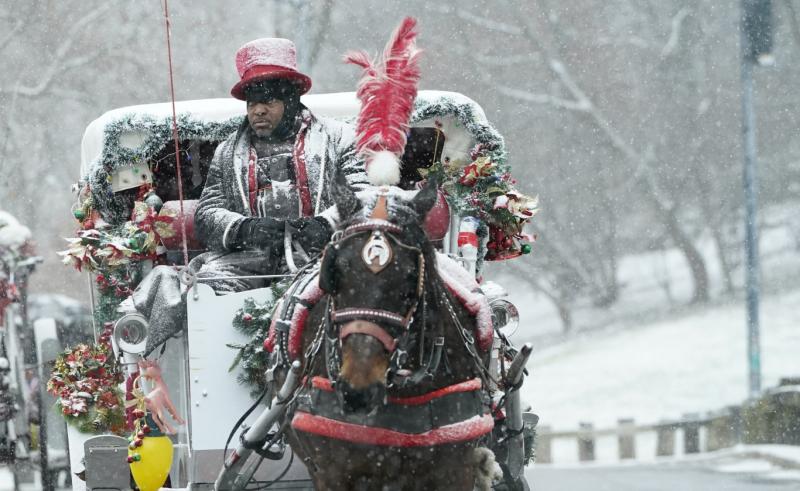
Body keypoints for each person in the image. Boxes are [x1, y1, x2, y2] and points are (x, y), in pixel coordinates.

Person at [130, 38, 367, 354]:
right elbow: (208, 212)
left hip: (323, 258)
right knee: (202, 289)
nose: (257, 110)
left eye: (267, 101)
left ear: (291, 99)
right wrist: (245, 229)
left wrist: (325, 225)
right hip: (246, 263)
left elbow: (364, 196)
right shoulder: (227, 152)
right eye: (251, 103)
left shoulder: (338, 139)